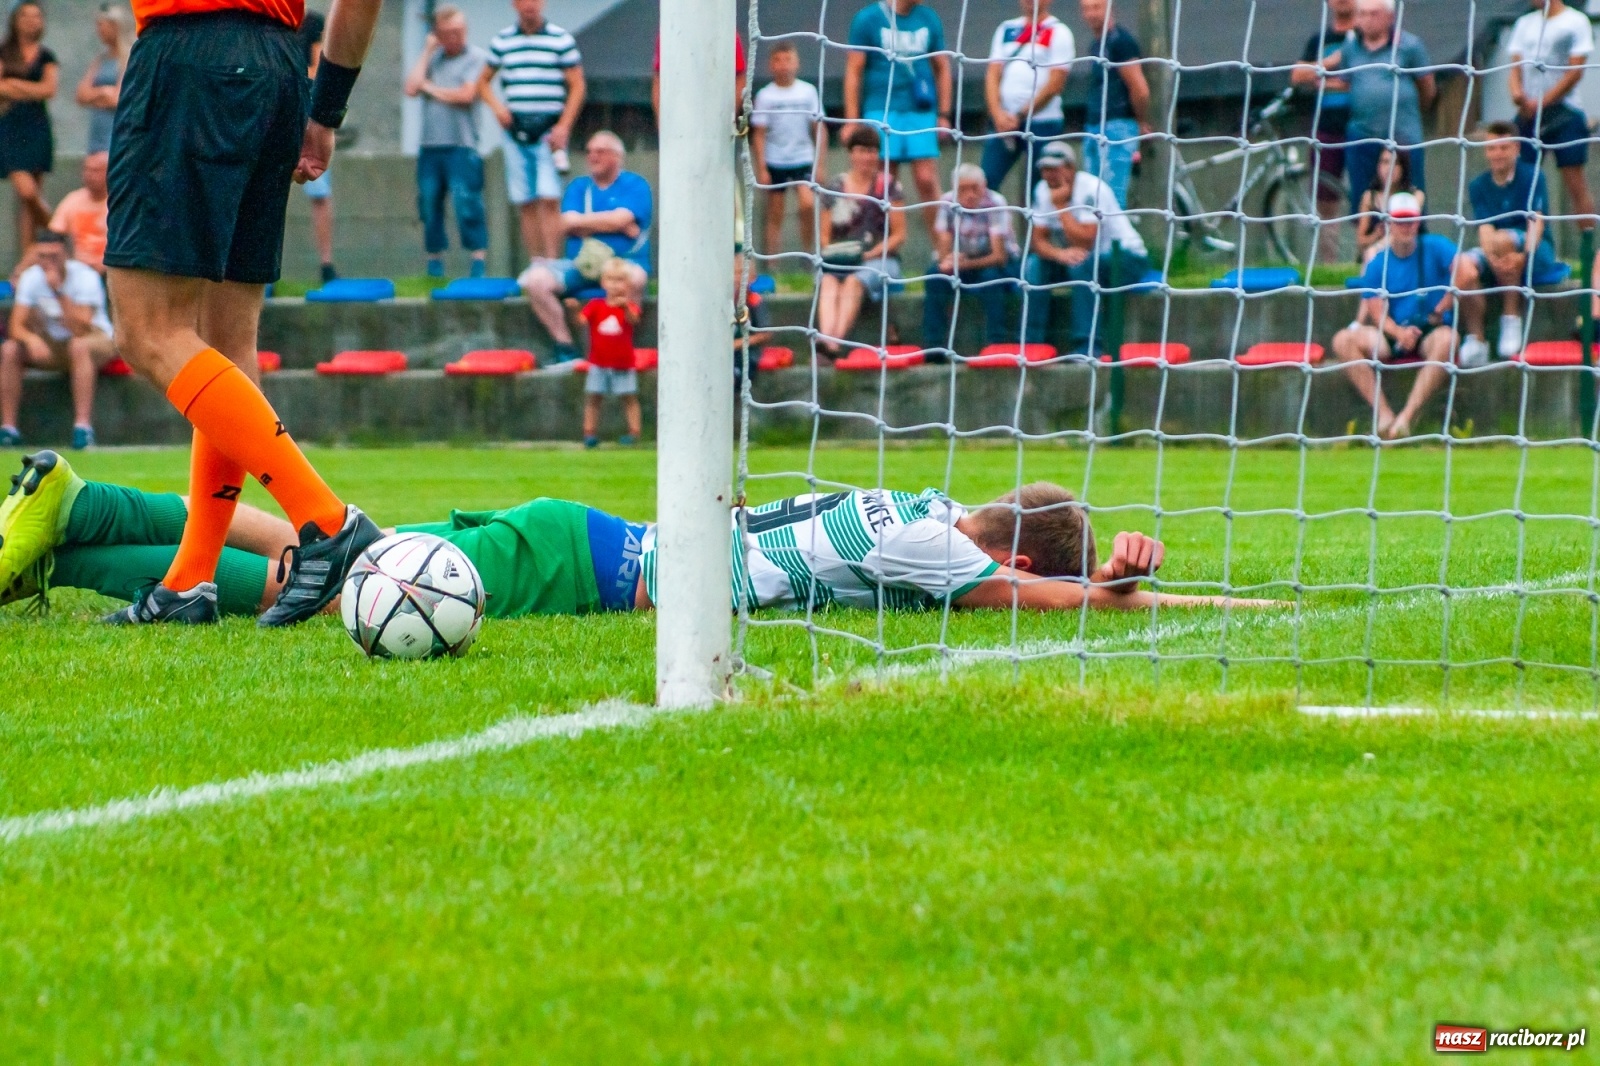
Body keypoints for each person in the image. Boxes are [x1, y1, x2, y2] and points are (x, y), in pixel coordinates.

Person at [1, 452, 1273, 621]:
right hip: (586, 564)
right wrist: (1223, 606)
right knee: (337, 575)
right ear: (1025, 553)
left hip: (588, 530)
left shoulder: (908, 502)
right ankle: (88, 512)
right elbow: (1073, 613)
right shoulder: (946, 560)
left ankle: (68, 530)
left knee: (310, 562)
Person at [100, 0, 390, 627]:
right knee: (226, 341)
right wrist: (326, 107)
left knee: (148, 330)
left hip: (189, 60)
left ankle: (329, 524)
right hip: (280, 71)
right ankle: (191, 581)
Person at [1330, 193, 1460, 441]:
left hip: (1428, 329)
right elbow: (1377, 313)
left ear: (1418, 222)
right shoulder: (1378, 263)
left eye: (1410, 221)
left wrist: (1439, 310)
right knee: (1342, 340)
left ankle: (1407, 417)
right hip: (1392, 332)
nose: (1406, 227)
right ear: (1388, 225)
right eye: (1400, 221)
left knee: (1448, 340)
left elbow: (1463, 271)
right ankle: (1384, 414)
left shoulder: (1435, 247)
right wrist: (1399, 333)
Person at [518, 131, 652, 364]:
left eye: (600, 152)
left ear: (617, 157)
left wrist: (586, 223)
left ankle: (621, 345)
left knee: (636, 278)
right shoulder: (578, 187)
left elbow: (620, 219)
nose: (593, 157)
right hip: (580, 265)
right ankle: (565, 347)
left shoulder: (635, 185)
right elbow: (567, 222)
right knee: (535, 280)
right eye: (589, 151)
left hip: (623, 263)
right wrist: (615, 223)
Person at [1453, 122, 1569, 364]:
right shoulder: (1479, 185)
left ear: (1516, 149)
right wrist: (1493, 259)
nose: (1497, 154)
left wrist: (1523, 254)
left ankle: (1511, 317)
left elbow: (1536, 223)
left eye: (1504, 148)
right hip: (1497, 250)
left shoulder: (1533, 176)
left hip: (1535, 251)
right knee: (1462, 264)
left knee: (1506, 238)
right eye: (1492, 148)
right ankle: (1477, 339)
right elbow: (1485, 228)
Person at [1024, 141, 1149, 356]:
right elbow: (1037, 241)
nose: (1049, 175)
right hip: (1080, 259)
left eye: (1054, 168)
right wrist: (1059, 254)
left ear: (1070, 168)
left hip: (1126, 259)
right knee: (1034, 266)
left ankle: (1088, 347)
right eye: (1045, 169)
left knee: (1082, 267)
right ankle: (1031, 344)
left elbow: (1086, 241)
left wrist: (1061, 207)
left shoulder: (1092, 189)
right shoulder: (1042, 190)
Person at [482, 0, 585, 262]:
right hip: (516, 129)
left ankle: (553, 263)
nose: (530, 5)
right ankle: (536, 263)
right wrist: (497, 108)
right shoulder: (502, 41)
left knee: (549, 197)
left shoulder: (560, 39)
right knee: (525, 200)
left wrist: (564, 126)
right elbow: (482, 82)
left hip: (549, 129)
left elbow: (577, 86)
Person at [842, 0, 953, 233]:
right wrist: (851, 120)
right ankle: (884, 247)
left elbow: (942, 67)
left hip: (920, 110)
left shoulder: (928, 18)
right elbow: (854, 70)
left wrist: (943, 113)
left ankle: (941, 249)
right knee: (883, 180)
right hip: (881, 108)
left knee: (926, 179)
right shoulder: (868, 18)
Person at [0, 235, 117, 450]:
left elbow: (81, 328)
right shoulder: (31, 278)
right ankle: (9, 429)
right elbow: (16, 326)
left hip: (93, 340)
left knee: (78, 346)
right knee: (9, 350)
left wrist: (57, 290)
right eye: (42, 256)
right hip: (53, 343)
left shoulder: (85, 277)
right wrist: (31, 338)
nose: (48, 262)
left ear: (66, 254)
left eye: (54, 256)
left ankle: (82, 428)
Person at [1319, 0, 1435, 215]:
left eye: (1374, 14)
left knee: (1409, 201)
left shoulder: (1409, 46)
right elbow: (1348, 82)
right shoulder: (1350, 49)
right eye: (1362, 14)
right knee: (1365, 203)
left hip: (1404, 137)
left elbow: (1427, 86)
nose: (1367, 20)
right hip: (1362, 136)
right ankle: (1367, 246)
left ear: (1390, 17)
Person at [404, 5, 490, 279]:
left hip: (462, 144)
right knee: (429, 203)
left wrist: (430, 88)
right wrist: (428, 51)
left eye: (460, 30)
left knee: (467, 202)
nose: (457, 36)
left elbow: (466, 96)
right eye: (450, 32)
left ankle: (477, 260)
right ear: (439, 34)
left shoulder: (477, 58)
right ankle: (434, 261)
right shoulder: (432, 58)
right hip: (430, 145)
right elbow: (411, 87)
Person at [815, 125, 907, 360]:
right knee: (828, 281)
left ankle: (831, 346)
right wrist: (838, 253)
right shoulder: (834, 187)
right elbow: (824, 235)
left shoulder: (889, 186)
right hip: (841, 258)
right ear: (851, 153)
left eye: (871, 151)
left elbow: (899, 234)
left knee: (855, 281)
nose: (867, 156)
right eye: (861, 150)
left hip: (879, 259)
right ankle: (828, 341)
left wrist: (871, 253)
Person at [1508, 0, 1596, 233]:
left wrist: (1542, 102)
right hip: (1528, 115)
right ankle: (1526, 244)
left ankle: (1588, 247)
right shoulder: (1524, 23)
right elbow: (1515, 67)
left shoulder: (1576, 21)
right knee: (1521, 180)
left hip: (1565, 113)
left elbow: (1575, 71)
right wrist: (1517, 95)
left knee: (1575, 183)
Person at [922, 164, 1019, 355]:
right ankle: (934, 347)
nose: (970, 194)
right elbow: (943, 243)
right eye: (963, 189)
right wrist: (947, 261)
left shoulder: (996, 202)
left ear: (984, 186)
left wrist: (964, 264)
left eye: (975, 188)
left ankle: (996, 343)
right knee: (934, 277)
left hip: (998, 262)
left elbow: (999, 256)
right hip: (964, 259)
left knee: (992, 278)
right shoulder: (947, 202)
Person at [982, 0, 1074, 196]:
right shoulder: (1006, 29)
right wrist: (998, 114)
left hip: (1043, 122)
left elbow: (1055, 83)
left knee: (1041, 190)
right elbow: (992, 74)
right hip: (1003, 123)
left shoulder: (1059, 31)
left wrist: (1021, 113)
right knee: (986, 181)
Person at [751, 42, 824, 257]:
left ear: (797, 63)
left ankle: (808, 256)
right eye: (778, 61)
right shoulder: (766, 96)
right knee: (775, 214)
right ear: (770, 65)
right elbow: (759, 134)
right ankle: (773, 264)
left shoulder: (808, 92)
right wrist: (762, 167)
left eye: (788, 60)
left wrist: (820, 163)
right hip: (776, 160)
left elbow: (819, 129)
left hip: (803, 157)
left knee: (808, 204)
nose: (784, 66)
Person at [1078, 0, 1150, 210]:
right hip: (1094, 123)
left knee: (1112, 197)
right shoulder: (1096, 44)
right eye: (1086, 8)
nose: (1091, 14)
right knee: (1093, 194)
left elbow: (1139, 88)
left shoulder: (1121, 42)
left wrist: (1140, 121)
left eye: (1096, 7)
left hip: (1117, 124)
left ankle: (1116, 242)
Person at [565, 257, 642, 449]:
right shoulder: (596, 305)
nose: (615, 285)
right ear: (603, 282)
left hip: (623, 362)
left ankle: (634, 432)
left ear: (628, 284)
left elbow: (634, 321)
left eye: (620, 280)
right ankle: (589, 432)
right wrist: (574, 310)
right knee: (593, 397)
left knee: (629, 397)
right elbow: (581, 322)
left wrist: (624, 307)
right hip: (598, 362)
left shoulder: (629, 307)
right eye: (611, 280)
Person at [0, 2, 57, 251]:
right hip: (9, 127)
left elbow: (48, 89)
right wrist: (29, 90)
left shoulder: (46, 56)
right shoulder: (4, 52)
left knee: (29, 204)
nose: (31, 21)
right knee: (26, 191)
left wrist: (13, 85)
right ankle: (58, 230)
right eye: (26, 15)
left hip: (36, 127)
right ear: (15, 20)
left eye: (36, 16)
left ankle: (28, 254)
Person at [1291, 0, 1357, 182]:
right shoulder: (1318, 40)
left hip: (1364, 128)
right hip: (1326, 128)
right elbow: (1297, 76)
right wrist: (1330, 62)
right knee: (1325, 195)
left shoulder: (1368, 37)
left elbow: (1365, 80)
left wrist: (1323, 80)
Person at [298, 6, 338, 283]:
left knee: (319, 192)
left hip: (305, 115)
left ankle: (326, 264)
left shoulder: (313, 23)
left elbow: (317, 69)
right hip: (270, 113)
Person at [76, 4, 130, 156]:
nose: (99, 30)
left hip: (117, 135)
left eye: (102, 25)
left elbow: (117, 99)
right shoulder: (101, 60)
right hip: (97, 136)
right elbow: (80, 95)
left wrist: (95, 96)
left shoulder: (128, 59)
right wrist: (103, 92)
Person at [1353, 146, 1421, 265]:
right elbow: (1361, 242)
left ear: (1403, 167)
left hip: (1406, 256)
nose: (1389, 168)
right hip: (1373, 259)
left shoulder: (1415, 196)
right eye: (1385, 162)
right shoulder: (1369, 197)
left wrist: (1379, 246)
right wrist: (1376, 235)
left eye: (1395, 163)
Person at [49, 153, 110, 275]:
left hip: (110, 269)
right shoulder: (73, 199)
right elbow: (53, 235)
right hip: (78, 270)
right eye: (86, 169)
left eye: (95, 171)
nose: (89, 175)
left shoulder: (119, 202)